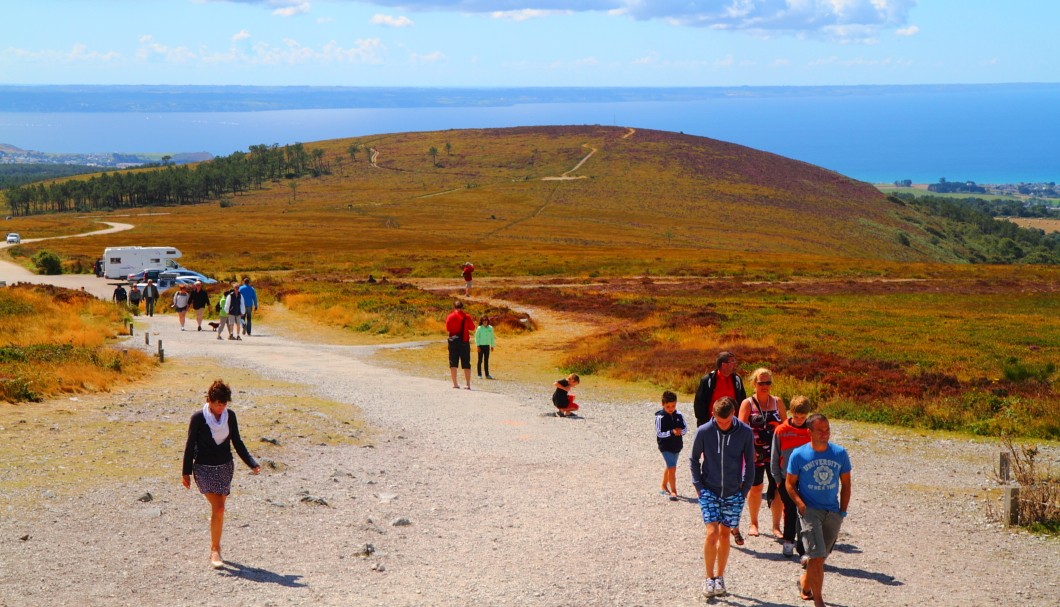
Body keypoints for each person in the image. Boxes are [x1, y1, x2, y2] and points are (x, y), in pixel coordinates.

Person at [181, 379, 261, 569]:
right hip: (203, 468)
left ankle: (215, 544)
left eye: (224, 404)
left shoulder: (230, 416)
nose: (220, 407)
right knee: (218, 508)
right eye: (217, 403)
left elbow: (237, 442)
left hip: (225, 467)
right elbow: (190, 445)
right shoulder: (198, 418)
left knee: (219, 509)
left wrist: (251, 463)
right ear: (209, 400)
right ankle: (215, 550)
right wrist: (185, 473)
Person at [690, 396, 755, 598]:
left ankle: (720, 577)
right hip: (709, 490)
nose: (722, 425)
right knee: (712, 533)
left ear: (733, 414)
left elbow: (751, 463)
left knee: (726, 535)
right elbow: (693, 459)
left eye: (726, 421)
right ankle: (709, 579)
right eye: (718, 421)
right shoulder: (704, 431)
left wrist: (744, 491)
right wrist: (699, 487)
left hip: (734, 493)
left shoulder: (745, 432)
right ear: (713, 415)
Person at [786, 414, 852, 607]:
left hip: (832, 512)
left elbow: (846, 484)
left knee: (820, 557)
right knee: (815, 555)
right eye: (820, 430)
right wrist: (800, 505)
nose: (825, 434)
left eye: (827, 429)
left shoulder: (840, 453)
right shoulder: (798, 455)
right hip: (809, 511)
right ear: (810, 432)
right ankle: (819, 600)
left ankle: (805, 585)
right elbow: (790, 484)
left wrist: (842, 512)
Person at [737, 368, 787, 538]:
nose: (765, 386)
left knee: (778, 489)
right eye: (761, 383)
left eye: (768, 383)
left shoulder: (778, 402)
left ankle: (776, 527)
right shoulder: (747, 403)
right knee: (756, 488)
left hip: (775, 453)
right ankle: (753, 523)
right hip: (754, 453)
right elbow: (740, 429)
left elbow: (786, 427)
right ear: (754, 383)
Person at [771, 396, 814, 559]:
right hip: (786, 479)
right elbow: (774, 457)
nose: (799, 420)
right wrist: (777, 479)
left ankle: (803, 547)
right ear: (791, 413)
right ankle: (788, 541)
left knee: (804, 511)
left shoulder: (811, 430)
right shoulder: (781, 431)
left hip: (806, 479)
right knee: (789, 510)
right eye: (796, 417)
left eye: (803, 417)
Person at [693, 351, 746, 428]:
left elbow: (742, 401)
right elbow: (699, 404)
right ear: (724, 365)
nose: (735, 364)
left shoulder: (737, 379)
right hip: (712, 425)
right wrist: (704, 425)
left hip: (733, 425)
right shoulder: (708, 380)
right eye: (732, 361)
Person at [654, 390, 686, 501]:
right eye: (668, 406)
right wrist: (671, 432)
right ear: (662, 404)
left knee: (670, 466)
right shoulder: (659, 417)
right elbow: (658, 433)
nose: (671, 408)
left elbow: (685, 429)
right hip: (665, 446)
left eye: (673, 406)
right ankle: (674, 491)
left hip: (677, 446)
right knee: (672, 468)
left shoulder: (679, 415)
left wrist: (680, 431)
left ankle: (663, 485)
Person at [445, 300, 475, 389]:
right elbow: (472, 328)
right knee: (466, 363)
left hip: (453, 342)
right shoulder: (467, 317)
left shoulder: (450, 316)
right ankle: (467, 384)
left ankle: (455, 384)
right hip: (464, 342)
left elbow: (447, 328)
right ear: (462, 307)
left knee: (453, 362)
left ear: (454, 307)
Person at [474, 315, 496, 379]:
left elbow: (492, 337)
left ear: (487, 321)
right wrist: (477, 346)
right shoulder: (479, 328)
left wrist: (492, 345)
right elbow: (476, 337)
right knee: (480, 360)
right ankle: (479, 374)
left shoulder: (490, 328)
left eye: (486, 320)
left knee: (486, 360)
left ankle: (487, 374)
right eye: (484, 321)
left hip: (487, 346)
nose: (485, 322)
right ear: (482, 321)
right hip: (480, 346)